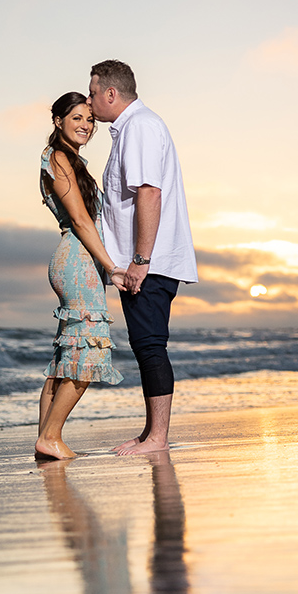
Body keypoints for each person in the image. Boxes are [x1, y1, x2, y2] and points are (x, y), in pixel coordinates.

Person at [88, 61, 198, 456]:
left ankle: (158, 438)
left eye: (93, 92)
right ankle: (152, 431)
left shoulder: (140, 127)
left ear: (111, 94)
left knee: (150, 345)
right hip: (145, 260)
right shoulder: (133, 129)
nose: (90, 100)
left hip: (149, 261)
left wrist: (139, 258)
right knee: (144, 344)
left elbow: (150, 192)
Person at [36, 92, 127, 461]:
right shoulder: (58, 158)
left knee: (65, 357)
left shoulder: (71, 160)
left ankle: (46, 439)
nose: (85, 125)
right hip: (78, 259)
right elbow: (79, 220)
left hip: (77, 259)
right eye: (76, 118)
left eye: (89, 120)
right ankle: (52, 437)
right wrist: (111, 266)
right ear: (58, 120)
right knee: (89, 351)